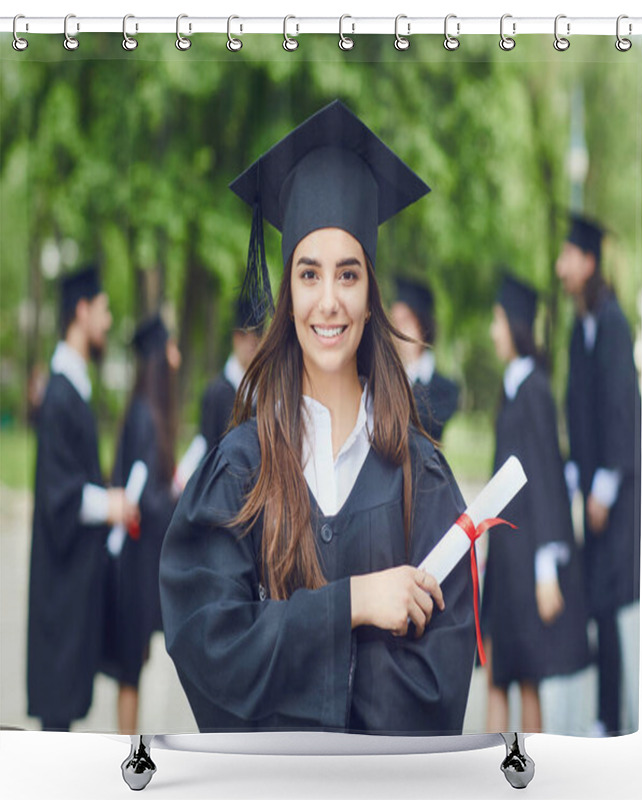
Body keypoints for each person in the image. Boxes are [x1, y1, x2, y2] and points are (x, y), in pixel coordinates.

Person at [160, 100, 475, 735]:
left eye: (348, 274)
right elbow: (209, 653)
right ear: (288, 292)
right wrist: (356, 605)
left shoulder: (422, 476)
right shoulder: (240, 468)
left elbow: (438, 686)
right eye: (309, 274)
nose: (328, 301)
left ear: (369, 292)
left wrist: (279, 646)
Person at [26, 264, 139, 732]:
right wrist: (109, 504)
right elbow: (58, 493)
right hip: (60, 584)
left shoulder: (73, 387)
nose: (109, 321)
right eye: (104, 310)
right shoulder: (60, 394)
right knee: (57, 718)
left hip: (75, 579)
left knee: (67, 709)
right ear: (82, 310)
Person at [481, 273, 590, 733]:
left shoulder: (536, 393)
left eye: (498, 320)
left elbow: (546, 479)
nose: (492, 330)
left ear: (517, 326)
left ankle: (528, 775)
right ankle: (493, 771)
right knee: (499, 674)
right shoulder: (514, 389)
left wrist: (547, 571)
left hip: (527, 565)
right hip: (506, 561)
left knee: (524, 678)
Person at [556, 214, 641, 735]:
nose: (560, 266)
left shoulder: (611, 323)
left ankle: (613, 717)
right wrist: (573, 472)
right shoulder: (579, 325)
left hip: (617, 493)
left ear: (588, 263)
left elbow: (622, 410)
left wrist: (604, 484)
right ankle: (608, 713)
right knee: (599, 603)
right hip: (591, 491)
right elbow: (578, 407)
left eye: (567, 257)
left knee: (610, 602)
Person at [101, 314, 181, 734]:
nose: (177, 356)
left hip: (138, 555)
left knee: (135, 664)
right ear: (156, 358)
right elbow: (148, 500)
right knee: (133, 663)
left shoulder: (142, 411)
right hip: (137, 559)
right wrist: (178, 497)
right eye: (170, 347)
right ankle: (127, 754)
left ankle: (130, 748)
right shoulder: (148, 417)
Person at [390, 277, 459, 441]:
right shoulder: (386, 380)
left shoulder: (445, 390)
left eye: (405, 322)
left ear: (422, 325)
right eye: (394, 322)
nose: (397, 331)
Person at [200, 297, 264, 451]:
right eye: (248, 339)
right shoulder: (216, 394)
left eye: (257, 340)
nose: (253, 346)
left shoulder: (267, 392)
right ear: (236, 338)